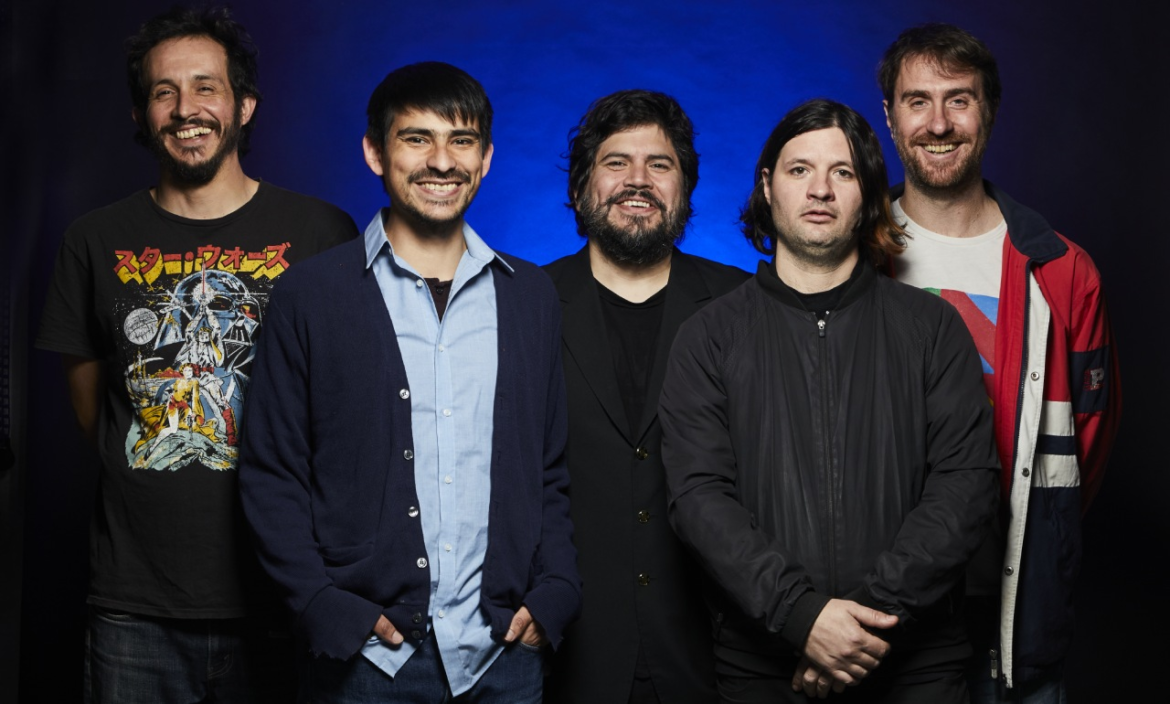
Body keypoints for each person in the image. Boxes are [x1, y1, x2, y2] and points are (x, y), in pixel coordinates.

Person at [34, 5, 357, 702]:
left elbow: (347, 409)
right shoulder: (94, 241)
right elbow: (98, 414)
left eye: (206, 88)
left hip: (287, 593)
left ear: (244, 105)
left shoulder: (322, 231)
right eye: (164, 91)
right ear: (141, 115)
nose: (187, 109)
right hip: (135, 606)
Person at [237, 61, 581, 702]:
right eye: (416, 138)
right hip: (366, 662)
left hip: (502, 657)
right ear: (375, 152)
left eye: (462, 141)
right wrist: (321, 604)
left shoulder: (530, 296)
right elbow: (271, 474)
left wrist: (556, 589)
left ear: (485, 159)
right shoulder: (310, 296)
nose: (441, 161)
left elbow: (549, 470)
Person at [660, 98, 999, 703]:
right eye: (799, 170)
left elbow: (965, 486)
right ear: (767, 186)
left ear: (868, 193)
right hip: (763, 666)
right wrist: (801, 617)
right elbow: (699, 499)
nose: (820, 189)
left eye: (842, 172)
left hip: (915, 664)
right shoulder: (708, 336)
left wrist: (856, 627)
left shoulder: (934, 328)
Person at [878, 23, 1121, 701]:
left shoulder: (1063, 272)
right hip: (876, 604)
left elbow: (1087, 451)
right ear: (890, 118)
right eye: (917, 100)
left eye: (959, 99)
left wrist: (1033, 536)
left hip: (1015, 609)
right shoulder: (853, 257)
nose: (938, 123)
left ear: (987, 111)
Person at [543, 90, 747, 704]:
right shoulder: (523, 304)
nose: (638, 180)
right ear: (582, 187)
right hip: (567, 655)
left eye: (659, 164)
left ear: (684, 187)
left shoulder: (743, 306)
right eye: (616, 162)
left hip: (709, 657)